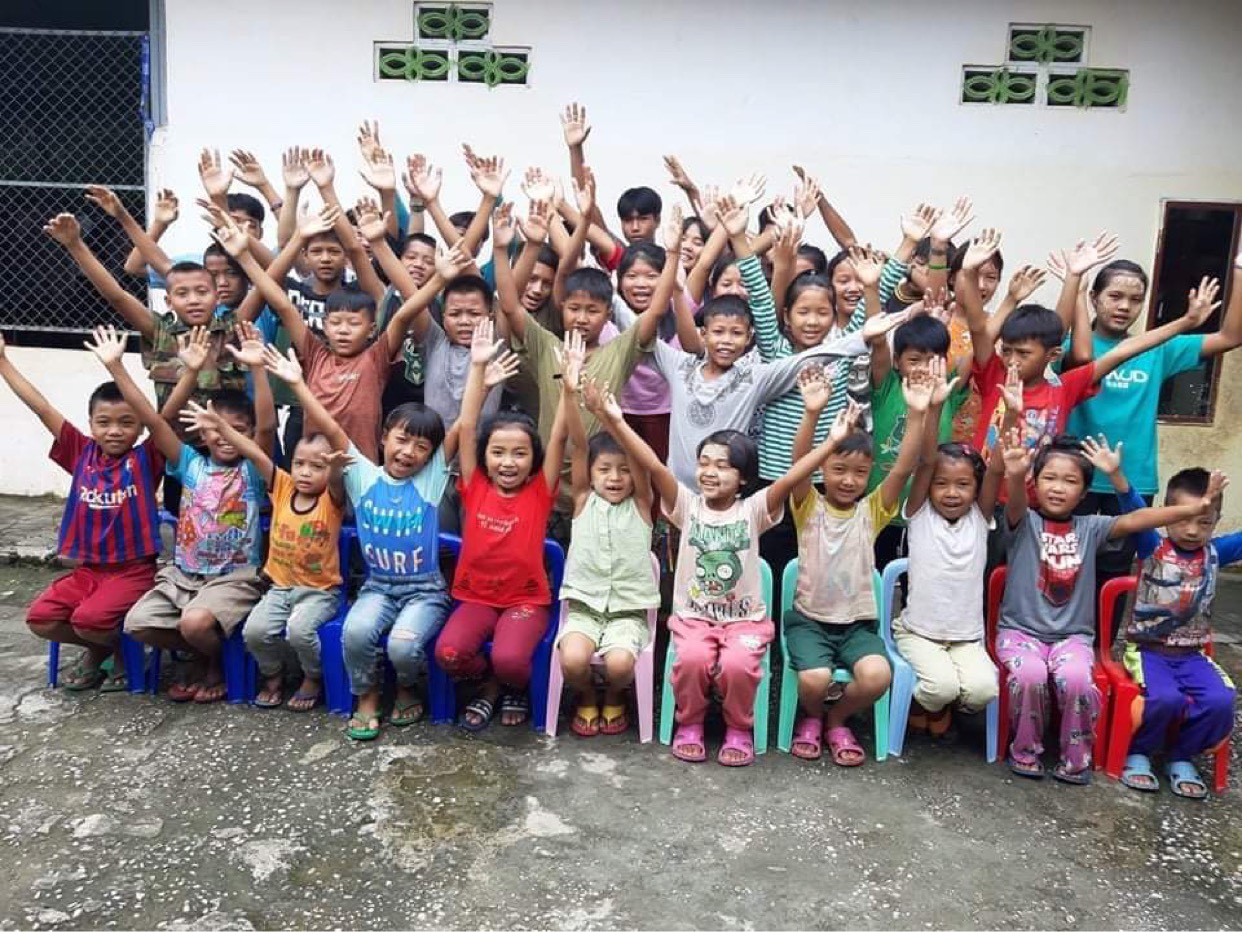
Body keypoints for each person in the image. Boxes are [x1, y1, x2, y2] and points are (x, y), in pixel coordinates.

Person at [594, 375, 866, 767]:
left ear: (743, 478)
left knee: (738, 665)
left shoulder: (753, 510)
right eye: (704, 463)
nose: (710, 471)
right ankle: (690, 722)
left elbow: (792, 476)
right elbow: (652, 463)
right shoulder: (686, 505)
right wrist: (614, 420)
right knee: (691, 660)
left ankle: (739, 727)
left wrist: (831, 441)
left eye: (723, 465)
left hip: (744, 622)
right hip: (693, 619)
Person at [994, 433, 1218, 783]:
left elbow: (1140, 519)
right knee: (1029, 676)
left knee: (1077, 680)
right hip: (1019, 634)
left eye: (1070, 481)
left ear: (1084, 493)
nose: (1058, 488)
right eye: (1049, 478)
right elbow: (1016, 502)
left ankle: (1075, 760)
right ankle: (1024, 750)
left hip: (1072, 637)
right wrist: (1015, 474)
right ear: (1035, 483)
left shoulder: (1092, 528)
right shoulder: (1024, 523)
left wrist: (1194, 509)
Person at [89, 324, 271, 704]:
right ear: (201, 433)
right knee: (137, 623)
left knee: (195, 622)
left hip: (233, 578)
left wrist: (257, 368)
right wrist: (116, 367)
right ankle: (202, 651)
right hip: (184, 575)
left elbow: (268, 426)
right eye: (215, 427)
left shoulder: (253, 470)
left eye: (236, 429)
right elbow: (155, 422)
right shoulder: (189, 463)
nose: (223, 435)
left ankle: (215, 663)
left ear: (248, 434)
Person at [216, 208, 469, 462]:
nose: (344, 330)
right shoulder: (314, 354)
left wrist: (439, 280)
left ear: (371, 329)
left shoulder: (376, 358)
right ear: (325, 326)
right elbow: (282, 304)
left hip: (360, 469)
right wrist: (244, 257)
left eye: (353, 323)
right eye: (336, 323)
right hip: (316, 468)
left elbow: (404, 315)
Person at [1061, 247, 1242, 583]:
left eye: (1135, 299)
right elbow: (1076, 360)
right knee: (1064, 568)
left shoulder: (1157, 350)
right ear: (1094, 297)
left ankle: (1107, 622)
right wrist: (1074, 285)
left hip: (1132, 480)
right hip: (1073, 476)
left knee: (1114, 575)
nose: (1124, 306)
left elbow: (1231, 337)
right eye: (1115, 296)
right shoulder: (1073, 347)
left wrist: (1239, 268)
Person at [784, 366, 933, 766]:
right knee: (814, 679)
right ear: (823, 469)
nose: (849, 480)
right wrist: (812, 413)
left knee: (877, 676)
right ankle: (812, 717)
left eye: (859, 473)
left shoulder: (872, 512)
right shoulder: (808, 506)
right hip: (809, 621)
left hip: (857, 626)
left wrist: (917, 414)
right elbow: (799, 464)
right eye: (839, 469)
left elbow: (902, 468)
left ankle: (836, 719)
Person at [1, 334, 165, 692]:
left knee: (89, 619)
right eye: (104, 422)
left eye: (126, 422)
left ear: (141, 427)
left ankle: (118, 653)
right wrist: (3, 362)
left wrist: (119, 366)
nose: (115, 431)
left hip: (133, 571)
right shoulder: (81, 453)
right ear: (91, 424)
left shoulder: (145, 459)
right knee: (41, 619)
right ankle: (107, 649)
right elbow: (41, 408)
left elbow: (163, 419)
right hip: (88, 570)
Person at [434, 321, 573, 731]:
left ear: (533, 460)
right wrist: (478, 369)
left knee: (510, 659)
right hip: (475, 597)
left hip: (525, 600)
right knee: (448, 654)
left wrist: (569, 388)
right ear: (485, 456)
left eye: (519, 454)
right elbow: (467, 426)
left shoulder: (540, 492)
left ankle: (509, 686)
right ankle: (490, 684)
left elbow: (559, 436)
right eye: (498, 452)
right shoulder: (474, 484)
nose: (508, 462)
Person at [1085, 440, 1237, 799]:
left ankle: (1181, 756)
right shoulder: (1152, 546)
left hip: (1192, 655)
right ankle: (1138, 752)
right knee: (1166, 699)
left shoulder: (1216, 553)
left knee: (1222, 700)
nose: (1192, 530)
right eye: (1183, 519)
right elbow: (1134, 509)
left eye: (1204, 522)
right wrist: (1116, 474)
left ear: (1215, 523)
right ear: (1167, 515)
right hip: (1148, 652)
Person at [180, 398, 346, 713]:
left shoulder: (331, 499)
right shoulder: (282, 486)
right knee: (254, 632)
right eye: (299, 463)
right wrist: (221, 427)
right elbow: (255, 452)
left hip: (319, 592)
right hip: (279, 588)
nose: (306, 473)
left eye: (318, 467)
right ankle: (273, 673)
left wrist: (336, 469)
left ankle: (313, 676)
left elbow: (336, 481)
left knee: (300, 632)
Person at [892, 358, 1002, 739]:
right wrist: (934, 407)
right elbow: (925, 462)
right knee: (940, 688)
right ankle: (928, 701)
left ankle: (940, 701)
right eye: (942, 484)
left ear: (976, 489)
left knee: (984, 690)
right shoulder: (919, 513)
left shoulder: (979, 518)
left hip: (966, 637)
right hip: (919, 632)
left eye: (963, 485)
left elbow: (997, 468)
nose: (951, 493)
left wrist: (1011, 417)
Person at [555, 375, 660, 737]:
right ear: (590, 473)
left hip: (628, 613)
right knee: (572, 660)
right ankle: (586, 695)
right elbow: (579, 445)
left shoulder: (642, 504)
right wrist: (571, 394)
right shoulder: (583, 500)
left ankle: (615, 693)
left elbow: (643, 463)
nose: (615, 477)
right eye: (604, 469)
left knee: (619, 665)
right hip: (584, 609)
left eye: (624, 469)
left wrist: (613, 419)